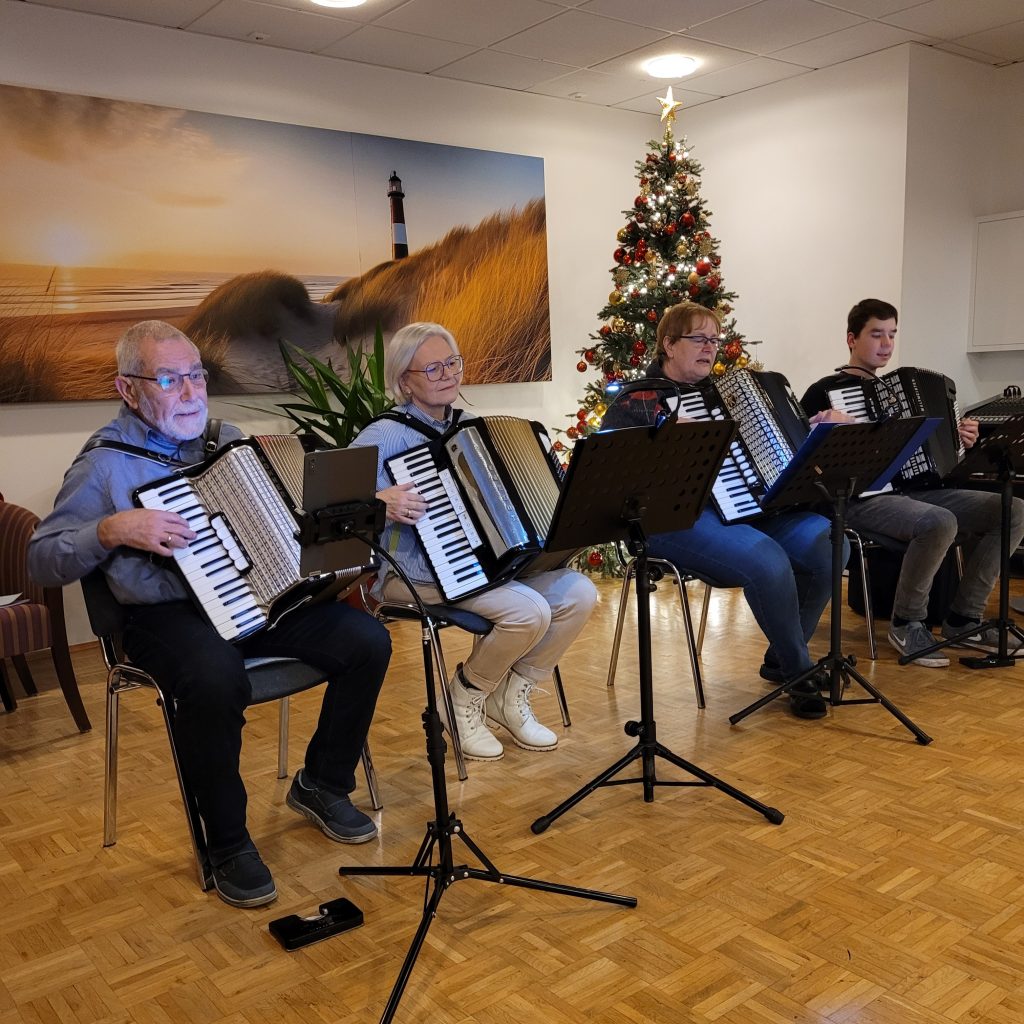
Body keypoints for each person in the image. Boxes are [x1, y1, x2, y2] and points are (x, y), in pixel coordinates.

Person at [28, 320, 390, 909]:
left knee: (367, 640)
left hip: (252, 598)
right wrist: (110, 529)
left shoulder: (229, 440)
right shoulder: (103, 466)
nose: (191, 392)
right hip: (163, 617)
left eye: (196, 375)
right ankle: (226, 842)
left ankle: (322, 783)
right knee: (215, 678)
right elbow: (41, 559)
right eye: (170, 379)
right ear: (128, 389)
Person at [350, 322, 596, 760]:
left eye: (452, 363)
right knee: (528, 611)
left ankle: (509, 694)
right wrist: (377, 501)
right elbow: (330, 504)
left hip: (482, 567)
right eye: (433, 368)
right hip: (411, 574)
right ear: (404, 381)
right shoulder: (383, 435)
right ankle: (463, 698)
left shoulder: (472, 427)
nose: (447, 374)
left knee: (578, 592)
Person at [601, 301, 845, 720]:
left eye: (714, 340)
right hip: (677, 518)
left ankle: (784, 658)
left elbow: (771, 450)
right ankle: (799, 671)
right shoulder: (638, 400)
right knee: (767, 560)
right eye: (699, 338)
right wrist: (663, 445)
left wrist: (812, 433)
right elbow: (610, 474)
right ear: (668, 344)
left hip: (750, 509)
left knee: (829, 542)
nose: (709, 348)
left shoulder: (728, 393)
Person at [800, 298, 1024, 664]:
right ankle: (907, 623)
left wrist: (960, 440)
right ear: (851, 339)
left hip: (919, 491)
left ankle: (964, 619)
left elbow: (940, 459)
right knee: (939, 521)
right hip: (860, 497)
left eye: (892, 334)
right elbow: (803, 458)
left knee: (1012, 510)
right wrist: (829, 429)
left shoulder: (902, 387)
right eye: (877, 334)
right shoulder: (824, 391)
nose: (886, 343)